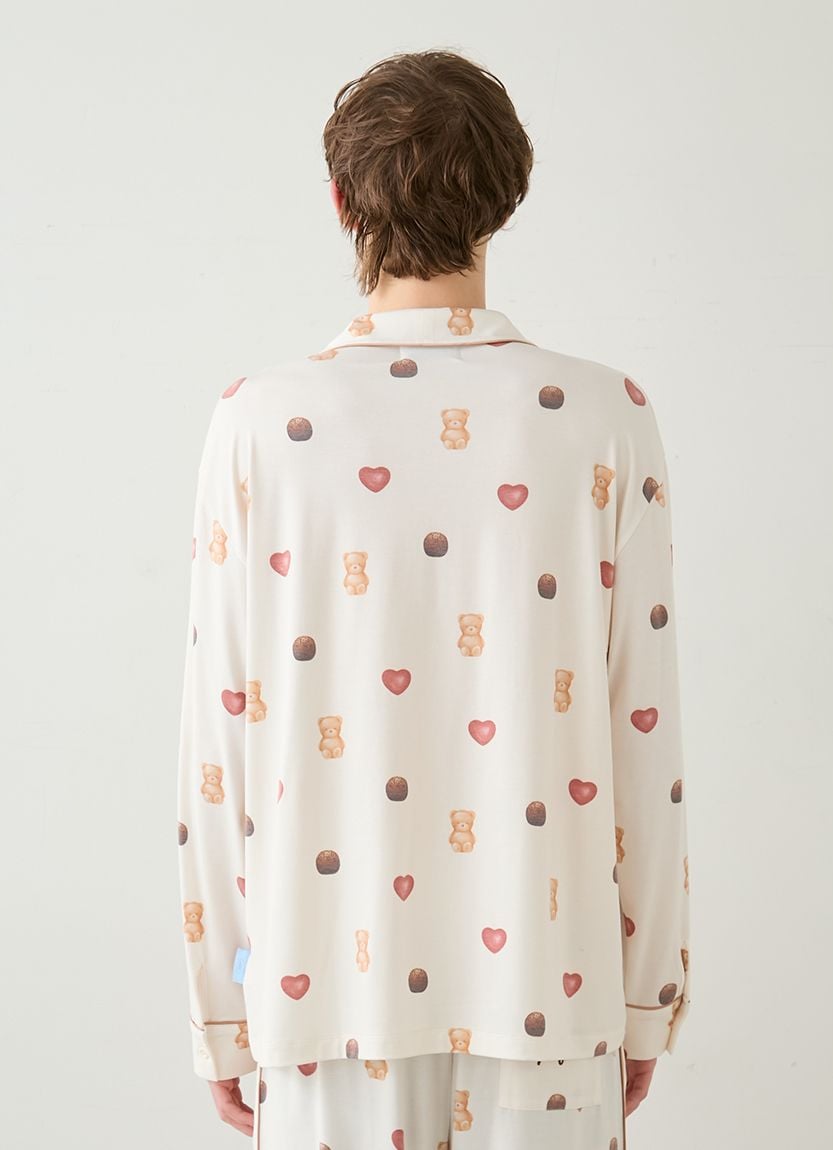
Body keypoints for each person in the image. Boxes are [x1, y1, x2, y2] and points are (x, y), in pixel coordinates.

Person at [175, 47, 691, 1148]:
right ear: (505, 200)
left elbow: (219, 739)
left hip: (322, 998)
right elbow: (643, 735)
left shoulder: (259, 423)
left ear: (341, 201)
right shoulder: (603, 416)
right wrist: (647, 994)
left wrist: (223, 1009)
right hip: (552, 988)